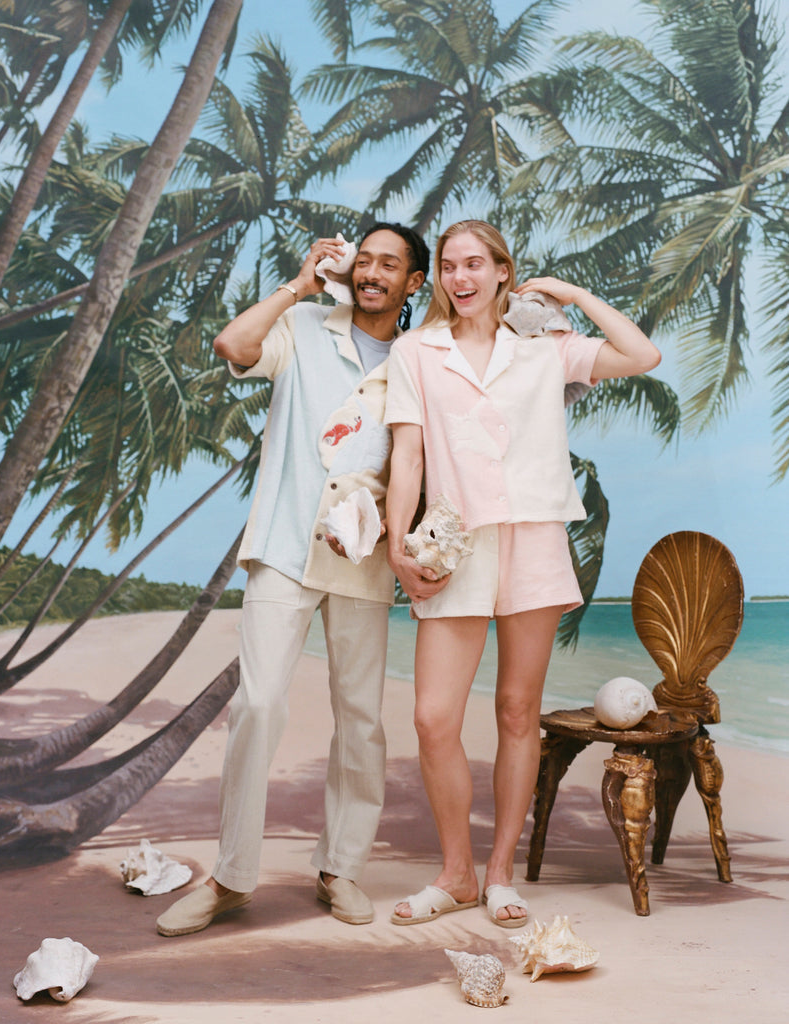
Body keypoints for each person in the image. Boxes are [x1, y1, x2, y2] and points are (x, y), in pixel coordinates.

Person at [383, 220, 660, 928]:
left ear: (503, 271)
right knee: (432, 717)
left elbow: (642, 354)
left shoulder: (544, 352)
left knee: (515, 712)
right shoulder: (417, 351)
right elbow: (408, 457)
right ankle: (455, 873)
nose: (459, 278)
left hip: (533, 541)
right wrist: (396, 546)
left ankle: (499, 874)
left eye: (474, 264)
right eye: (447, 266)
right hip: (453, 544)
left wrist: (571, 292)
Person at [156, 223, 429, 936]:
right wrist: (298, 283)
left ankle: (340, 868)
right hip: (283, 541)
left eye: (389, 265)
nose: (372, 273)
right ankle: (230, 877)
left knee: (361, 720)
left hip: (363, 554)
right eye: (363, 260)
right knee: (260, 703)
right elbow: (233, 347)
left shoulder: (422, 356)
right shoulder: (305, 324)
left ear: (413, 283)